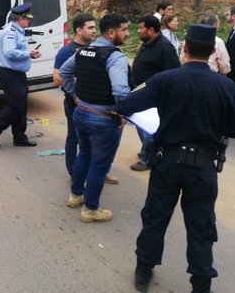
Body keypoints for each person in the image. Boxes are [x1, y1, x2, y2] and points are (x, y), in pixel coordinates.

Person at [115, 24, 235, 293]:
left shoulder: (165, 80)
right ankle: (201, 283)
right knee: (201, 226)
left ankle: (144, 269)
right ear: (212, 52)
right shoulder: (225, 87)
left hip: (167, 162)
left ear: (184, 48)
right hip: (203, 168)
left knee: (155, 217)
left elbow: (126, 104)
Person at [59, 13, 131, 223]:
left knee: (84, 155)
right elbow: (120, 89)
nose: (127, 34)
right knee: (99, 164)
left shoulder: (83, 51)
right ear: (111, 32)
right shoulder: (114, 57)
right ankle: (90, 209)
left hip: (81, 114)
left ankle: (75, 196)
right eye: (124, 30)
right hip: (103, 118)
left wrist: (76, 96)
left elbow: (64, 73)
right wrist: (123, 112)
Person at [53, 14, 119, 183]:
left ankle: (100, 171)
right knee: (74, 139)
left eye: (95, 27)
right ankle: (74, 173)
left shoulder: (95, 48)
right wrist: (76, 94)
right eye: (90, 28)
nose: (94, 31)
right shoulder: (66, 51)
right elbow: (57, 78)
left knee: (96, 142)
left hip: (96, 105)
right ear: (79, 30)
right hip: (75, 104)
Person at [0, 3, 41, 149]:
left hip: (18, 75)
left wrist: (31, 54)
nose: (29, 21)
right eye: (27, 18)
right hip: (10, 75)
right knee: (15, 106)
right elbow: (9, 52)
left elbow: (17, 51)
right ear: (21, 19)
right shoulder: (10, 32)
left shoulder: (18, 31)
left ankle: (19, 137)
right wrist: (27, 53)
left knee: (21, 107)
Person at [129, 15, 180, 171]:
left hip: (154, 97)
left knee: (148, 129)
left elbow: (173, 73)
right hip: (141, 93)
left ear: (151, 30)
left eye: (141, 28)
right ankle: (147, 151)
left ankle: (148, 158)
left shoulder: (164, 48)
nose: (138, 31)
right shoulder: (148, 44)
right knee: (140, 125)